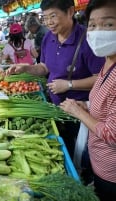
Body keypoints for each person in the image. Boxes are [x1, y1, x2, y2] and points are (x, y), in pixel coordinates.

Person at [6, 0, 105, 160]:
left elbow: (101, 79)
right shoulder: (48, 38)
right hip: (56, 107)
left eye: (53, 16)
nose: (49, 23)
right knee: (66, 146)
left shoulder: (87, 40)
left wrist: (69, 85)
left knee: (83, 153)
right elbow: (44, 67)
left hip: (81, 112)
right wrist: (27, 68)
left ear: (70, 12)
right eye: (45, 18)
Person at [60, 0, 116, 200]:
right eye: (92, 25)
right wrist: (88, 105)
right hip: (99, 164)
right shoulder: (108, 63)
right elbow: (108, 104)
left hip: (112, 173)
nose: (98, 31)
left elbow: (112, 135)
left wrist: (79, 112)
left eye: (108, 24)